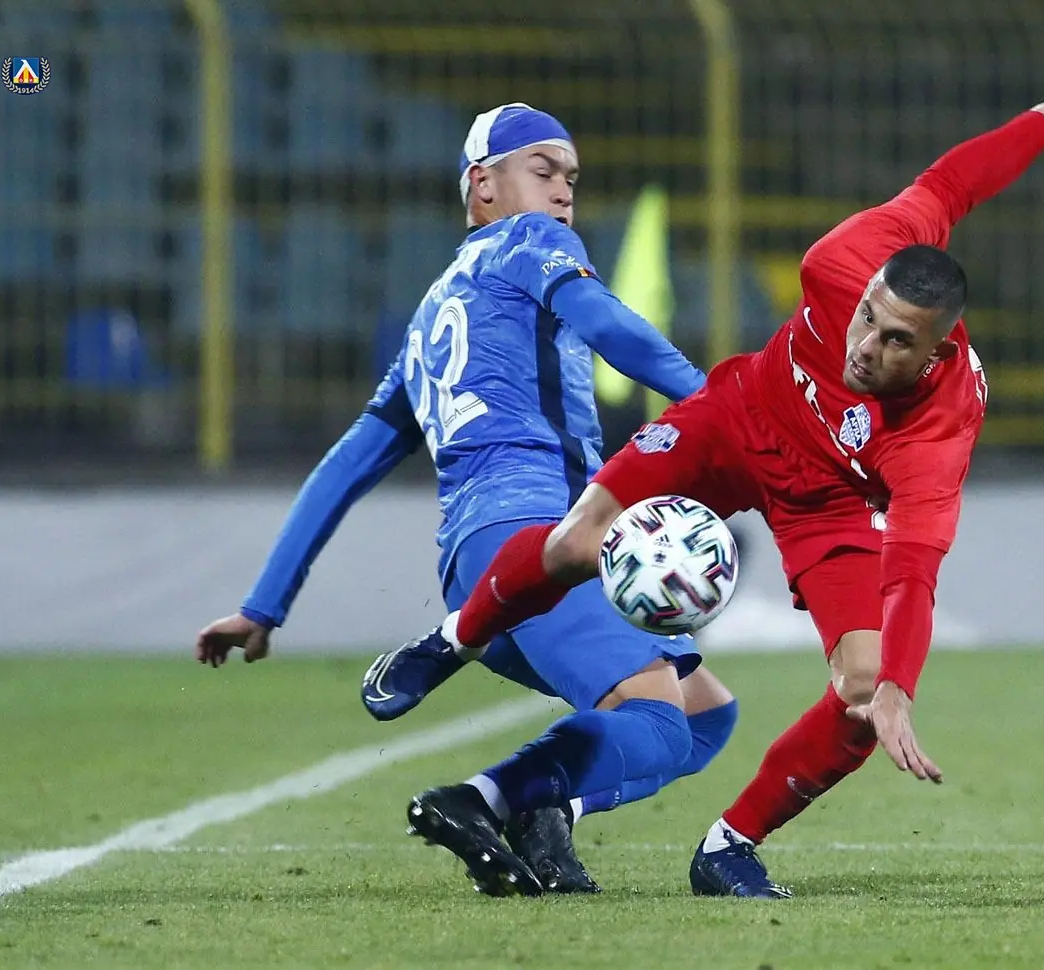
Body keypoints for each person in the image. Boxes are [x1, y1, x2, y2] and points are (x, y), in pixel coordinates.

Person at [387, 96, 1044, 897]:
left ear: (934, 355)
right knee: (578, 538)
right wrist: (1043, 120)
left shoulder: (935, 436)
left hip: (826, 502)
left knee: (861, 695)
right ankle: (454, 640)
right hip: (737, 418)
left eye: (896, 341)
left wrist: (896, 689)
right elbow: (950, 184)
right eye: (867, 318)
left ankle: (727, 848)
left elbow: (912, 573)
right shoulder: (845, 257)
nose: (866, 346)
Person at [195, 103, 740, 896]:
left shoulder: (430, 319)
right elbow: (608, 325)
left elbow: (345, 466)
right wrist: (719, 405)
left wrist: (263, 605)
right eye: (543, 170)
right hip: (544, 539)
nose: (563, 191)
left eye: (571, 178)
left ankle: (546, 810)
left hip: (476, 568)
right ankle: (480, 800)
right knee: (658, 723)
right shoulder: (532, 242)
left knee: (704, 715)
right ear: (483, 185)